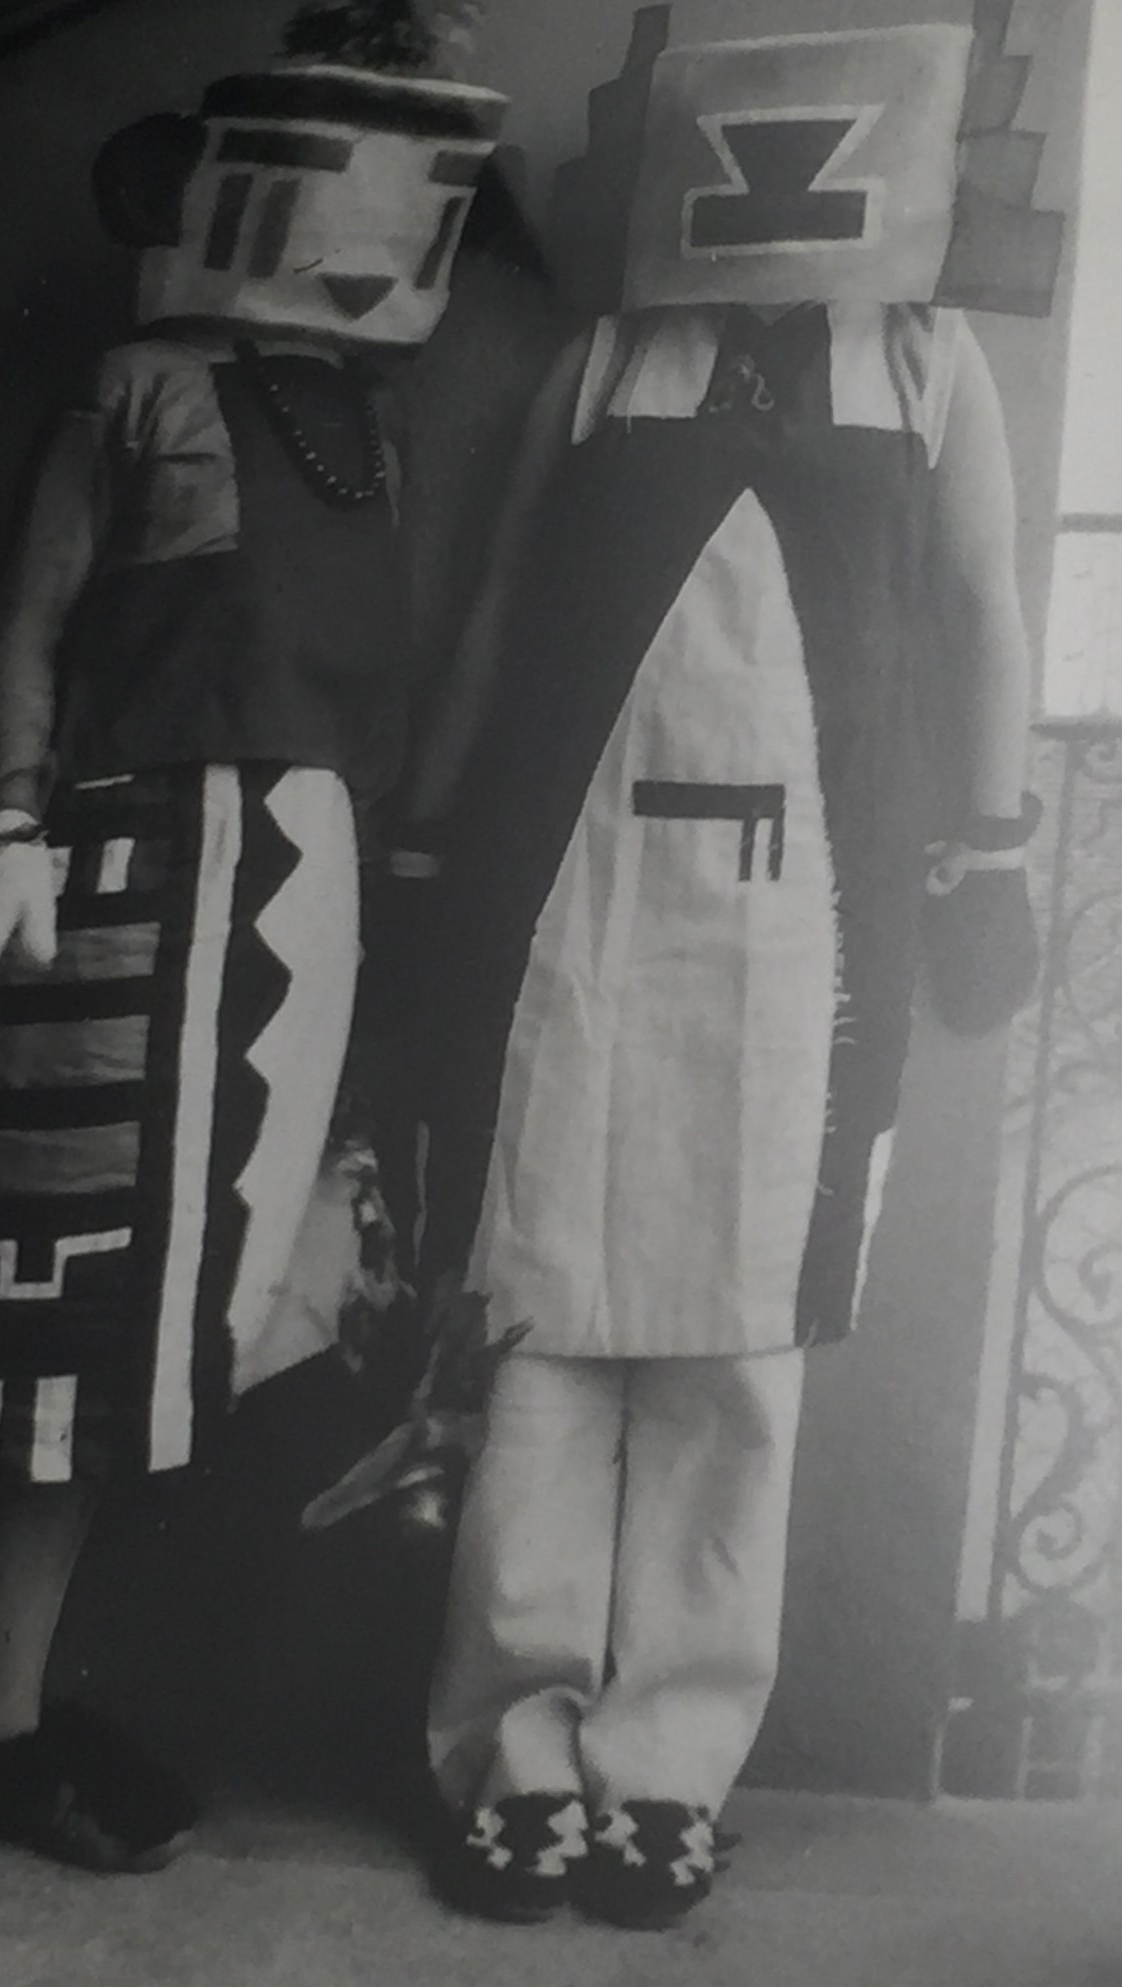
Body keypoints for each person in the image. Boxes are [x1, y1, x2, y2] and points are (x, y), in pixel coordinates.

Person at [0, 0, 508, 1886]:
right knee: (27, 1338)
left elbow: (368, 689)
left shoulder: (373, 426)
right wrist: (2, 827)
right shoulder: (137, 389)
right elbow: (26, 637)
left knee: (163, 1361)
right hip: (122, 882)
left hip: (304, 900)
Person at [382, 4, 1061, 1930]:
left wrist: (987, 845)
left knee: (736, 1354)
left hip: (805, 929)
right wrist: (428, 838)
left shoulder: (922, 363)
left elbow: (980, 611)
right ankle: (511, 1755)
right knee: (538, 1321)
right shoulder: (608, 360)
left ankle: (665, 1770)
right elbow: (504, 596)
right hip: (571, 908)